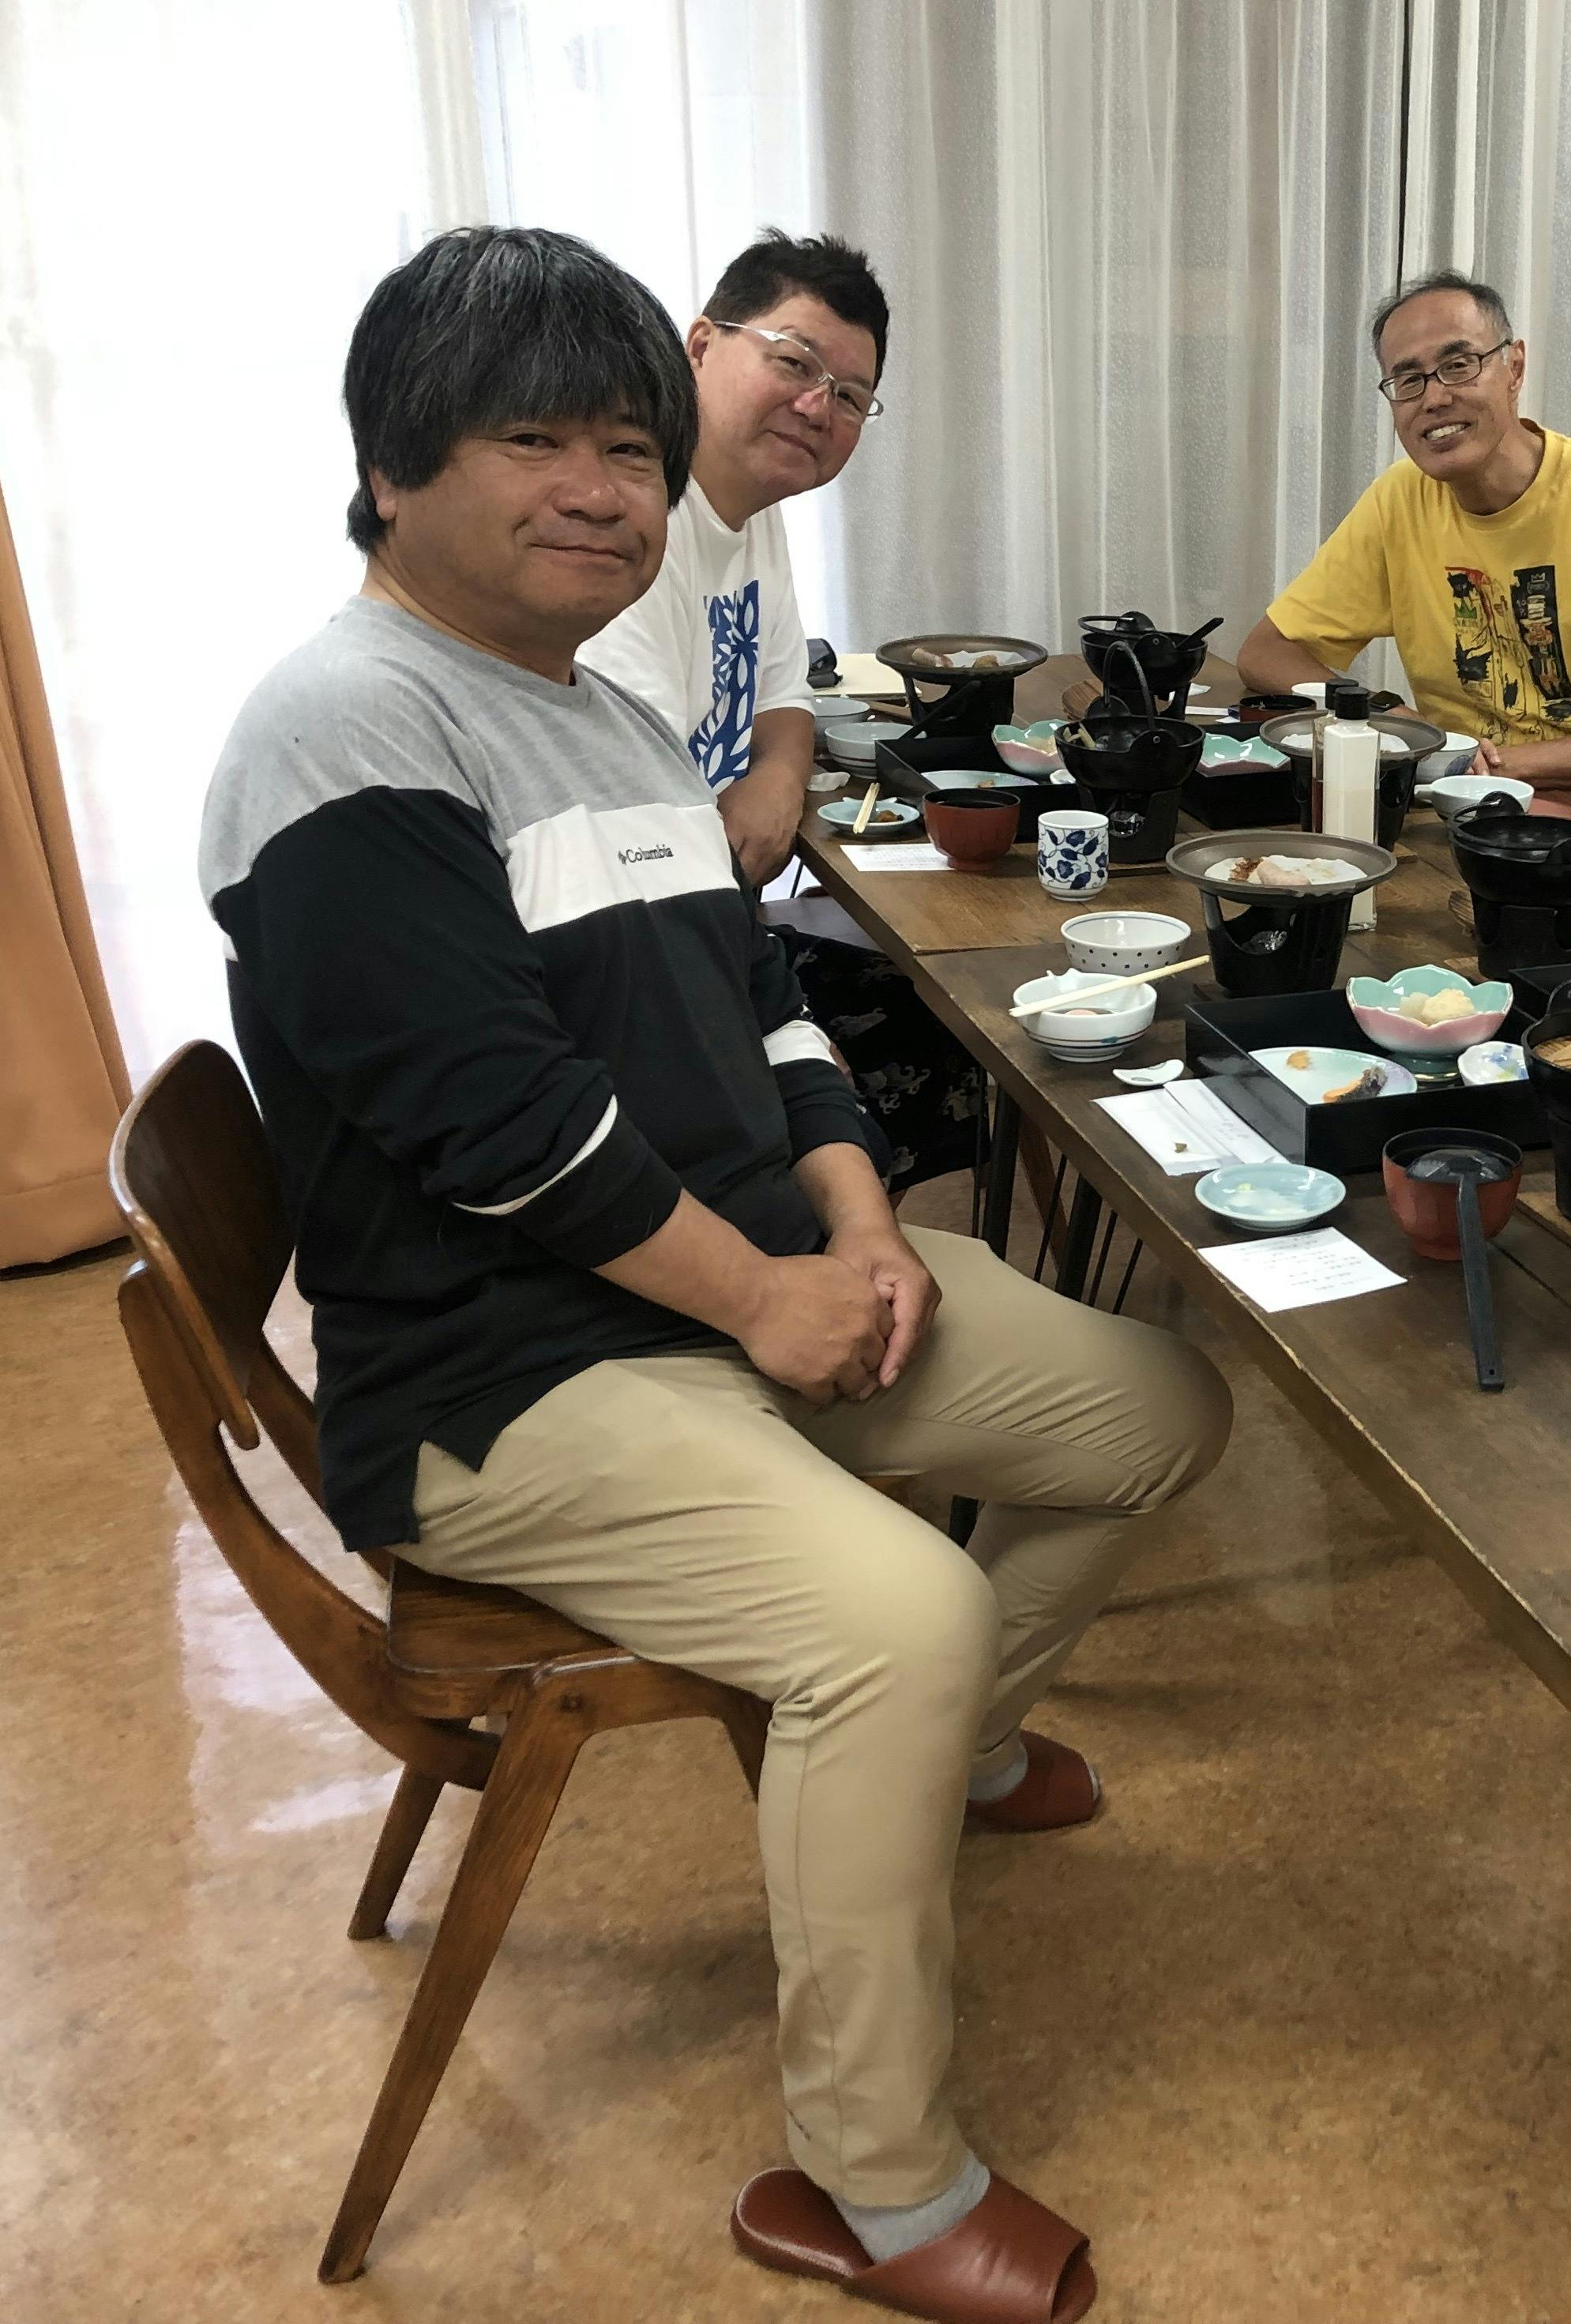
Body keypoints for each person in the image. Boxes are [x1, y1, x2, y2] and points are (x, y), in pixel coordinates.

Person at [201, 226, 1228, 2321]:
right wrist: (764, 1302)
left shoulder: (599, 711)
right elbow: (500, 1128)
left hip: (741, 1279)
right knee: (901, 1611)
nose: (600, 492)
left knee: (1156, 1409)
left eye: (628, 453)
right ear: (395, 465)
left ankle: (934, 1768)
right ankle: (876, 2185)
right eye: (535, 442)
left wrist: (853, 1221)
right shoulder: (342, 732)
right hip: (507, 1377)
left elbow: (761, 1002)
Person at [579, 229, 983, 1192]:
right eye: (795, 363)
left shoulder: (749, 511)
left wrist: (775, 777)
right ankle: (819, 1242)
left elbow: (786, 693)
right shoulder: (631, 531)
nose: (817, 407)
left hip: (710, 920)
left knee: (968, 1024)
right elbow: (635, 838)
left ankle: (848, 1235)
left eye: (849, 396)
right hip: (630, 965)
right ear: (701, 345)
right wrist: (781, 1032)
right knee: (938, 1061)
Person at [1238, 271, 1571, 878]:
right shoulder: (1401, 500)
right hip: (1459, 787)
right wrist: (1384, 715)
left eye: (1458, 365)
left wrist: (1503, 764)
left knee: (1486, 852)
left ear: (1514, 368)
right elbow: (1268, 653)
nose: (1434, 398)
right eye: (1409, 380)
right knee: (1287, 828)